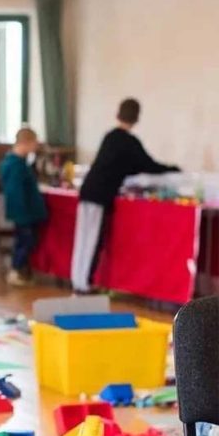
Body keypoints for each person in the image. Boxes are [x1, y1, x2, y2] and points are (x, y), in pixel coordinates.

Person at [71, 98, 179, 294]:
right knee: (92, 240)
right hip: (100, 195)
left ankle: (77, 280)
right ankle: (84, 285)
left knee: (82, 238)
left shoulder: (110, 136)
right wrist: (173, 170)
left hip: (88, 190)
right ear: (137, 118)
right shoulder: (129, 142)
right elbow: (148, 165)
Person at [0, 127, 47, 287]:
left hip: (25, 211)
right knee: (25, 241)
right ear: (25, 143)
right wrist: (24, 211)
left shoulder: (17, 163)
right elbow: (16, 191)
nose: (35, 147)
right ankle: (16, 269)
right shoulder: (15, 166)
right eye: (34, 144)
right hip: (24, 212)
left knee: (25, 241)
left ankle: (21, 270)